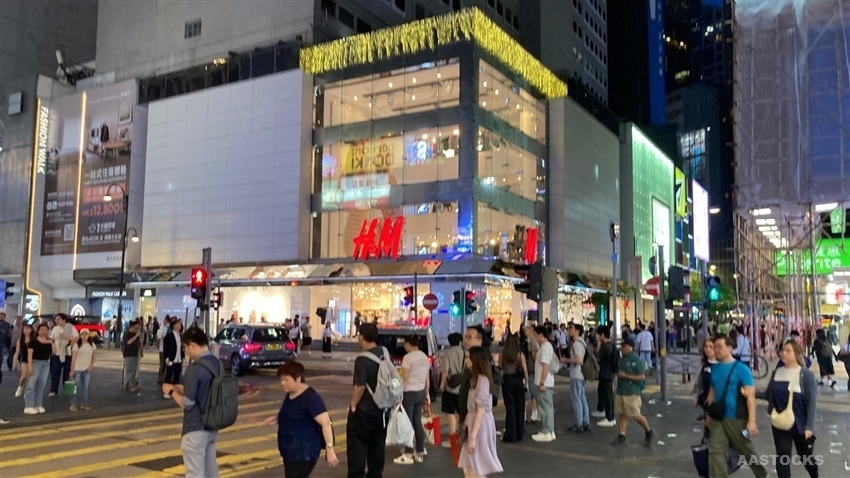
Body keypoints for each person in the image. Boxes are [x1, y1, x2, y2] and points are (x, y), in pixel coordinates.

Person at [161, 327, 220, 478]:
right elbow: (207, 389)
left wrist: (171, 391)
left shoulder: (195, 368)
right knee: (211, 471)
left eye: (185, 348)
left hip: (195, 427)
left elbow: (187, 403)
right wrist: (183, 388)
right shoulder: (217, 363)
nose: (185, 352)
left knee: (195, 473)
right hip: (212, 425)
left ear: (192, 345)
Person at [706, 335, 767, 478]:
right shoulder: (714, 369)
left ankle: (762, 474)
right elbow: (712, 393)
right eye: (715, 347)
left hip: (736, 417)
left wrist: (751, 421)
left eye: (720, 347)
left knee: (745, 449)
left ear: (730, 348)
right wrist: (708, 416)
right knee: (716, 450)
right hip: (718, 417)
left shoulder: (741, 369)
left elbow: (750, 396)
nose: (716, 350)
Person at [265, 361, 339, 478]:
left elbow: (326, 423)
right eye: (281, 380)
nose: (282, 383)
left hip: (304, 453)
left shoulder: (310, 398)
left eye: (286, 380)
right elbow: (296, 413)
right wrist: (279, 418)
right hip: (290, 451)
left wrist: (330, 449)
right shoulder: (291, 393)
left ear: (298, 379)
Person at [766, 340, 818, 478]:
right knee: (782, 455)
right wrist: (750, 392)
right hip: (781, 422)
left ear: (797, 354)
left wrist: (809, 426)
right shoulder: (777, 372)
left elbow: (811, 402)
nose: (784, 353)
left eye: (788, 351)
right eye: (783, 350)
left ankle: (815, 475)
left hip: (800, 424)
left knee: (805, 456)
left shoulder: (806, 375)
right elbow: (768, 394)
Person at [347, 322, 388, 478]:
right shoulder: (385, 352)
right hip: (382, 408)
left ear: (361, 337)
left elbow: (360, 387)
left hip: (364, 411)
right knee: (377, 445)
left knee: (357, 447)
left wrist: (353, 406)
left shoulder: (362, 359)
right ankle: (375, 474)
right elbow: (392, 376)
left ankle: (357, 475)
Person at [458, 346, 503, 478]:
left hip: (480, 426)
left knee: (475, 467)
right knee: (469, 466)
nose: (466, 360)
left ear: (475, 360)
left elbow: (480, 411)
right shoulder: (475, 379)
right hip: (474, 423)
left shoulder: (482, 380)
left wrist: (473, 436)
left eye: (468, 357)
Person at [394, 335, 430, 465]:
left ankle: (408, 453)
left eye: (405, 343)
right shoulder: (424, 357)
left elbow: (405, 378)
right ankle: (420, 450)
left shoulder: (408, 358)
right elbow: (427, 378)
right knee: (417, 421)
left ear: (408, 344)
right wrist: (426, 393)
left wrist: (399, 394)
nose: (404, 346)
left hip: (409, 392)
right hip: (421, 391)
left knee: (407, 423)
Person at [611, 337, 653, 446]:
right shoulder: (621, 360)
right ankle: (622, 435)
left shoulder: (636, 360)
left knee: (635, 414)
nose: (622, 348)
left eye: (624, 346)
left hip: (632, 391)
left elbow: (641, 376)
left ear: (630, 347)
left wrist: (626, 376)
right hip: (621, 390)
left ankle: (648, 430)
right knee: (622, 414)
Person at [498, 332, 528, 442]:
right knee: (520, 407)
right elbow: (525, 370)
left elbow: (500, 366)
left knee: (510, 408)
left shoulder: (503, 353)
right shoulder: (520, 354)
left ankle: (511, 434)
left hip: (507, 380)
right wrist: (526, 383)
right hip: (518, 381)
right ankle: (519, 433)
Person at [561, 323, 590, 433]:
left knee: (576, 399)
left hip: (576, 374)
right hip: (581, 374)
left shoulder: (576, 344)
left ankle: (578, 424)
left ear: (577, 331)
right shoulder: (582, 342)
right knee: (582, 398)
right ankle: (585, 422)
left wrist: (565, 360)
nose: (568, 330)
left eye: (571, 328)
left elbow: (579, 360)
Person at [531, 325, 556, 442]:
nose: (534, 337)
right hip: (547, 382)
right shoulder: (546, 346)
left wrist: (542, 382)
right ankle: (550, 430)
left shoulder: (545, 347)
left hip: (544, 382)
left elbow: (546, 365)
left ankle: (546, 430)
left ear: (541, 335)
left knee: (544, 408)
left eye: (535, 335)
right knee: (548, 407)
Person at [440, 332, 465, 446]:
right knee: (462, 413)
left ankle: (452, 439)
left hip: (451, 388)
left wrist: (442, 384)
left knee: (451, 413)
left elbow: (445, 371)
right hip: (463, 387)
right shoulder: (465, 353)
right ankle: (463, 437)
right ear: (460, 341)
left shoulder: (447, 353)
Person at [592, 325, 618, 427]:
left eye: (598, 334)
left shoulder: (606, 347)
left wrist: (598, 346)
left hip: (606, 374)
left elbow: (598, 357)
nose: (596, 336)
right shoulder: (610, 345)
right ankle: (607, 414)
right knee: (605, 394)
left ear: (602, 335)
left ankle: (610, 418)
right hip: (607, 373)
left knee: (608, 396)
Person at [24, 323, 52, 415]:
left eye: (45, 330)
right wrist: (30, 367)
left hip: (46, 363)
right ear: (38, 331)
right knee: (31, 384)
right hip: (35, 362)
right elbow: (29, 355)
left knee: (41, 385)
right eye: (41, 330)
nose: (43, 332)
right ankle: (28, 406)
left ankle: (38, 404)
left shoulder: (49, 341)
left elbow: (54, 352)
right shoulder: (33, 342)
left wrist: (52, 343)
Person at [48, 313, 78, 396]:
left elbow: (76, 338)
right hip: (56, 353)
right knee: (55, 372)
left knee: (67, 372)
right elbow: (52, 339)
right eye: (56, 319)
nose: (56, 321)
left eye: (58, 319)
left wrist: (66, 337)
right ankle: (53, 390)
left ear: (64, 320)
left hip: (67, 353)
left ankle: (67, 390)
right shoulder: (55, 328)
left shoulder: (70, 327)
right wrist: (53, 347)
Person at [69, 329, 97, 411]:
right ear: (80, 335)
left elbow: (94, 357)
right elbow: (73, 358)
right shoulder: (77, 345)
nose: (84, 336)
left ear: (88, 335)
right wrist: (72, 369)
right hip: (77, 369)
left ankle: (84, 403)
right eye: (82, 334)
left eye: (86, 334)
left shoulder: (92, 345)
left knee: (85, 387)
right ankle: (73, 403)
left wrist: (91, 366)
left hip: (86, 369)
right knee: (74, 387)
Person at [693, 339, 716, 424]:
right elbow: (699, 382)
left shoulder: (720, 364)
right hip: (705, 398)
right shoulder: (703, 363)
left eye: (711, 347)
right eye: (705, 346)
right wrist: (696, 396)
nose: (707, 349)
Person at [523, 323, 539, 424]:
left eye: (527, 328)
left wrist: (531, 351)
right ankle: (534, 414)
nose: (525, 330)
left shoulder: (531, 342)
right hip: (533, 370)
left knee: (527, 394)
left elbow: (533, 356)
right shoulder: (534, 341)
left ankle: (524, 415)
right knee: (532, 394)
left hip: (529, 369)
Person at [163, 319, 184, 395]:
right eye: (178, 324)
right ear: (174, 326)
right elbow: (166, 348)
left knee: (177, 376)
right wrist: (167, 358)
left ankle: (176, 392)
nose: (179, 325)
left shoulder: (181, 336)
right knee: (168, 376)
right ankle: (166, 391)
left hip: (179, 359)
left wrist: (183, 357)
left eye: (180, 324)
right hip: (171, 359)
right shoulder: (169, 336)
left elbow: (182, 348)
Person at [14, 323, 34, 398]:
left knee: (30, 376)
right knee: (24, 376)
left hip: (33, 359)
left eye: (28, 328)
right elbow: (17, 352)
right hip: (24, 359)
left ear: (31, 330)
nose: (26, 330)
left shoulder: (34, 340)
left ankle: (28, 390)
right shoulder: (20, 341)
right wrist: (14, 362)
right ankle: (20, 387)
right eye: (24, 328)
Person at [122, 320, 143, 392]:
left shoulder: (135, 334)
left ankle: (132, 384)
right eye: (136, 328)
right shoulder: (128, 334)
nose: (137, 329)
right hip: (129, 354)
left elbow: (140, 343)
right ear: (132, 327)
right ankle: (129, 385)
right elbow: (128, 342)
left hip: (135, 354)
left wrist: (141, 351)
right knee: (130, 371)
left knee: (133, 370)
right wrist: (136, 336)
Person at [156, 316, 173, 385]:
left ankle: (161, 379)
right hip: (169, 349)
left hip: (162, 348)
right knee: (167, 364)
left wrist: (157, 345)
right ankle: (167, 378)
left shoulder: (163, 328)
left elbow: (159, 338)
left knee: (162, 364)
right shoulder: (170, 329)